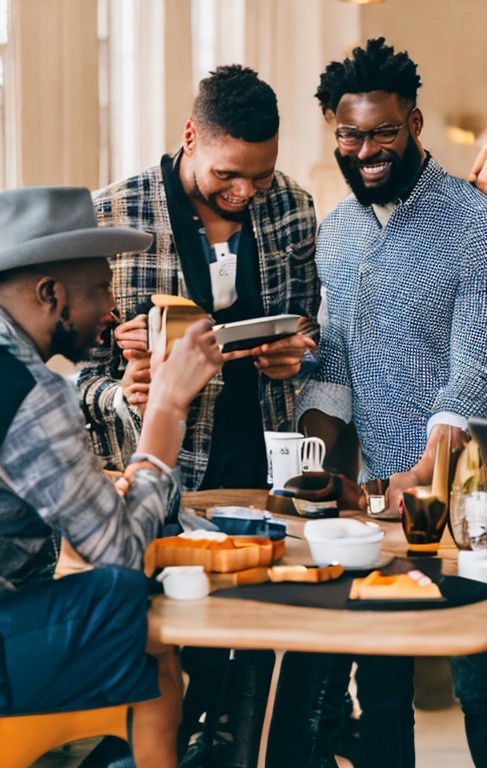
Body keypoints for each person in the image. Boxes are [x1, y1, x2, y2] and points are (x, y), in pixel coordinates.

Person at [76, 65, 329, 768]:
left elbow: (312, 325)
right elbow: (75, 381)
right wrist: (120, 389)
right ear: (190, 136)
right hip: (155, 474)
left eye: (261, 175)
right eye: (229, 175)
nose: (246, 192)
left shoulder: (293, 210)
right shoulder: (111, 216)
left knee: (257, 641)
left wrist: (299, 351)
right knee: (168, 644)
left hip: (265, 466)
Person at [298, 39, 487, 768]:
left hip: (467, 500)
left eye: (383, 133)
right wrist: (307, 462)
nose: (365, 150)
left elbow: (474, 375)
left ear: (417, 124)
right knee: (381, 685)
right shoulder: (334, 233)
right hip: (371, 508)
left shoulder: (481, 230)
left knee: (484, 688)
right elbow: (333, 367)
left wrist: (423, 477)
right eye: (350, 134)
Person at [0, 185, 223, 768]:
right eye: (100, 288)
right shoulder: (28, 390)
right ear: (51, 294)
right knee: (134, 608)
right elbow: (120, 550)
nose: (110, 307)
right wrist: (168, 409)